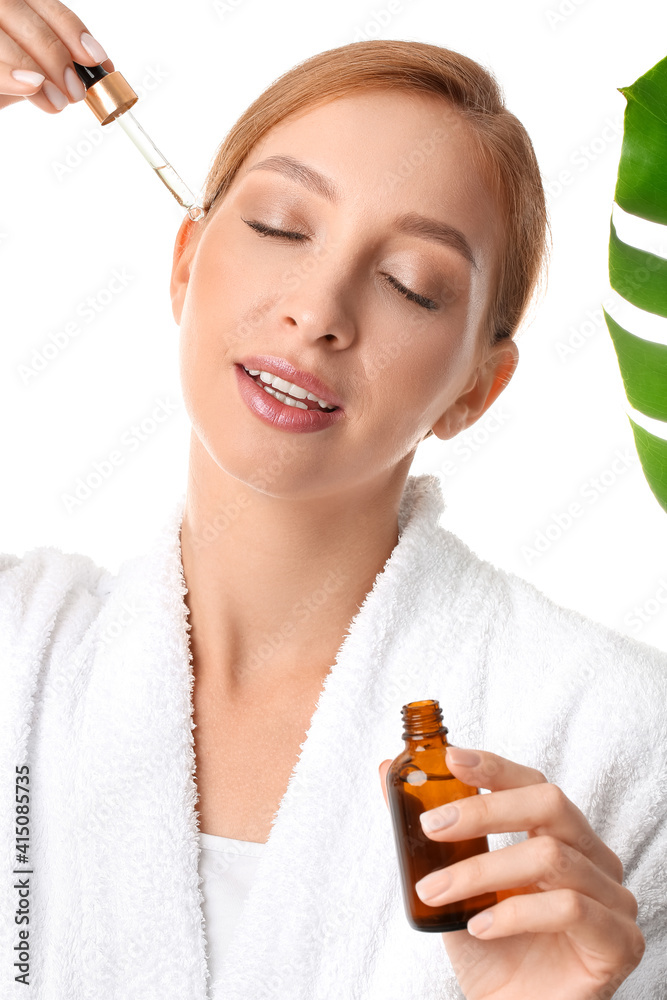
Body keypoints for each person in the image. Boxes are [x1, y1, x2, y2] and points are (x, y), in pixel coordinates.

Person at [0, 5, 665, 999]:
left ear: (476, 391)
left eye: (411, 283)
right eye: (278, 225)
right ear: (187, 263)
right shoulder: (22, 653)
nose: (317, 310)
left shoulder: (614, 738)